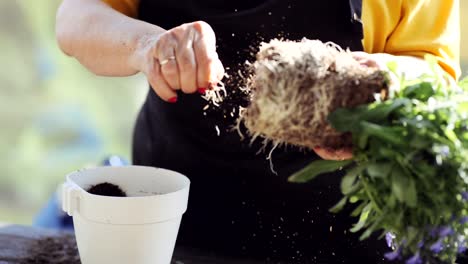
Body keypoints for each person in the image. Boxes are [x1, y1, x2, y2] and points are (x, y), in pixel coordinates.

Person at [55, 0, 460, 263]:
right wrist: (148, 46)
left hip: (340, 229)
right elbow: (76, 17)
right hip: (176, 219)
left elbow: (433, 67)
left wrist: (381, 83)